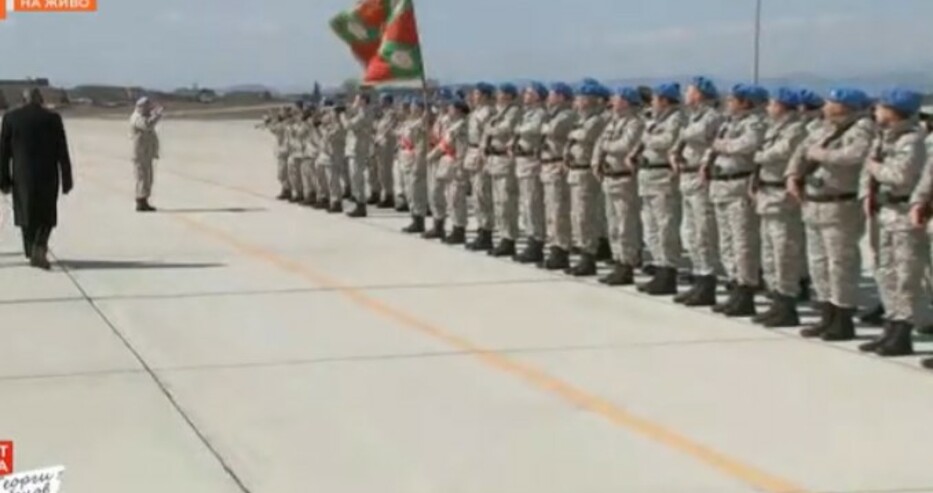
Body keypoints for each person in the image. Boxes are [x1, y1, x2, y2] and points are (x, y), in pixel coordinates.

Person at [787, 87, 874, 341]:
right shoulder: (824, 127)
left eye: (831, 102)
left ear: (845, 106)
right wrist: (793, 175)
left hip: (840, 205)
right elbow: (802, 150)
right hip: (814, 203)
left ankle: (843, 318)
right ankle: (826, 313)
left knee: (840, 263)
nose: (825, 106)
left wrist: (822, 154)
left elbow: (855, 155)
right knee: (818, 262)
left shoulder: (861, 128)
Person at [857, 88, 926, 356]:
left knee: (906, 275)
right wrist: (867, 194)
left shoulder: (911, 141)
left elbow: (900, 176)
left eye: (881, 107)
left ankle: (903, 331)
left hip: (903, 213)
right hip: (885, 212)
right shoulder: (884, 137)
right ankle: (891, 324)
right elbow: (868, 174)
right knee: (885, 271)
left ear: (894, 111)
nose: (876, 111)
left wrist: (873, 167)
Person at [0, 88, 73, 270]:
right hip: (47, 174)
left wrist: (3, 180)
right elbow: (62, 151)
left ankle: (30, 249)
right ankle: (39, 246)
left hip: (22, 175)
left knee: (26, 213)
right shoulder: (53, 119)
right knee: (46, 214)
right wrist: (67, 178)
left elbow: (3, 153)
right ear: (40, 99)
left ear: (23, 99)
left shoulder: (11, 118)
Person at [752, 87, 807, 326]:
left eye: (772, 104)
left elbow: (779, 152)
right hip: (767, 194)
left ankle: (787, 303)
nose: (768, 107)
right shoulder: (775, 128)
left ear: (782, 106)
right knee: (770, 251)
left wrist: (759, 155)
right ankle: (776, 300)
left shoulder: (795, 129)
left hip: (781, 196)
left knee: (784, 251)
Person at [672, 76, 724, 306]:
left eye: (690, 90)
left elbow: (699, 134)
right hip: (687, 176)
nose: (686, 94)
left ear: (699, 94)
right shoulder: (693, 117)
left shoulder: (711, 117)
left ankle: (707, 282)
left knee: (703, 233)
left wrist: (683, 134)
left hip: (700, 178)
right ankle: (698, 276)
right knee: (690, 233)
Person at [633, 82, 686, 293]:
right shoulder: (654, 120)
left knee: (665, 227)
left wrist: (648, 137)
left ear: (664, 101)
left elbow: (667, 141)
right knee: (651, 226)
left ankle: (668, 270)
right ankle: (658, 266)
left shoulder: (676, 119)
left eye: (655, 99)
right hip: (648, 176)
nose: (652, 103)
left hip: (663, 177)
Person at [594, 87, 646, 285]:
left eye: (616, 98)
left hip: (624, 179)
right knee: (613, 224)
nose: (613, 101)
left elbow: (625, 145)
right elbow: (599, 143)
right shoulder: (613, 122)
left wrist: (605, 147)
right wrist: (597, 161)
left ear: (626, 101)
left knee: (626, 224)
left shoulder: (634, 123)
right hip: (610, 178)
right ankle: (618, 260)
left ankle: (627, 264)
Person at [564, 81, 610, 276]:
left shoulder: (596, 120)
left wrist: (573, 134)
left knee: (585, 216)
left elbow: (585, 135)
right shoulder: (582, 119)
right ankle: (586, 251)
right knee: (578, 215)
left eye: (583, 98)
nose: (578, 101)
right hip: (576, 171)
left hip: (586, 173)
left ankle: (589, 254)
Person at [539, 82, 578, 269]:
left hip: (557, 164)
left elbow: (552, 130)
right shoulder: (552, 114)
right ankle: (554, 245)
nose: (549, 97)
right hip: (548, 165)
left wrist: (545, 125)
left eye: (552, 94)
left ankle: (561, 249)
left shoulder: (566, 115)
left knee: (558, 211)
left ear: (561, 97)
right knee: (550, 210)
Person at [483, 83, 523, 257]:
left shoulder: (513, 111)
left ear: (509, 96)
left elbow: (504, 129)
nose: (498, 96)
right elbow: (488, 132)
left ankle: (509, 239)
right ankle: (503, 236)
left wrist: (490, 129)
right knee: (498, 203)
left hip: (505, 161)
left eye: (501, 93)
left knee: (507, 202)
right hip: (494, 161)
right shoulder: (498, 112)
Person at [512, 82, 549, 263]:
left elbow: (533, 129)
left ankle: (536, 242)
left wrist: (518, 129)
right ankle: (531, 238)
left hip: (532, 162)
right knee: (526, 204)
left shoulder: (540, 114)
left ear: (537, 96)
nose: (525, 95)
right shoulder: (526, 114)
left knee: (533, 204)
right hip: (522, 162)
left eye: (529, 92)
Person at [424, 99, 470, 241]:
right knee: (448, 196)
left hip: (456, 164)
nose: (448, 110)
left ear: (458, 110)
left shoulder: (461, 126)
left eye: (451, 107)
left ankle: (459, 230)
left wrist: (432, 155)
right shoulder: (453, 125)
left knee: (456, 198)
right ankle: (443, 226)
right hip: (448, 163)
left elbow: (458, 147)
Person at [464, 83, 497, 251]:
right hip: (472, 151)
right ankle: (481, 228)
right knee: (476, 196)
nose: (474, 96)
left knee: (483, 194)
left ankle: (486, 233)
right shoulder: (475, 112)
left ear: (484, 95)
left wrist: (483, 154)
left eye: (477, 94)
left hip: (481, 153)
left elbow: (488, 135)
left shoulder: (489, 112)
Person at [343, 93, 375, 217]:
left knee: (357, 177)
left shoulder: (364, 113)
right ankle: (358, 202)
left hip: (359, 150)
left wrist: (342, 116)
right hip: (354, 149)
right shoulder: (359, 113)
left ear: (363, 101)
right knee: (354, 178)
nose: (354, 102)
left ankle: (361, 204)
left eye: (357, 100)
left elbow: (349, 125)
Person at [130, 97, 163, 211]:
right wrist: (156, 116)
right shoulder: (137, 117)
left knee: (147, 178)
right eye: (148, 107)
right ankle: (141, 201)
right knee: (142, 177)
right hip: (140, 154)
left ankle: (144, 199)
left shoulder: (142, 116)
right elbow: (147, 125)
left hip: (145, 153)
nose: (149, 110)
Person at [374, 94, 398, 208]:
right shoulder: (383, 115)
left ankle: (389, 196)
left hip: (387, 146)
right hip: (380, 146)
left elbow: (387, 131)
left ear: (387, 101)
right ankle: (385, 194)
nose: (380, 103)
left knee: (386, 172)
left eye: (382, 100)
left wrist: (378, 139)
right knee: (381, 172)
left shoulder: (391, 115)